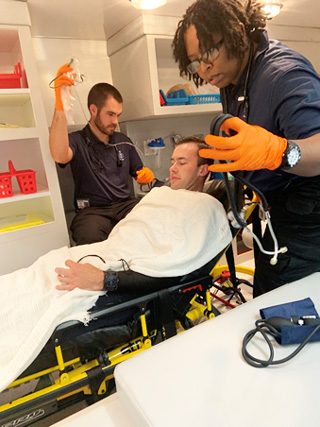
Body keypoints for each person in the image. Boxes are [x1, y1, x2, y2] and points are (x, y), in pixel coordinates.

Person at [172, 0, 320, 297]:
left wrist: (277, 152)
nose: (203, 69)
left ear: (237, 32)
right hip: (278, 204)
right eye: (195, 61)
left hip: (310, 209)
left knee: (281, 300)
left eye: (209, 52)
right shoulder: (233, 76)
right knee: (266, 285)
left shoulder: (284, 73)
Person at [54, 137, 217, 293]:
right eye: (173, 162)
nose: (172, 168)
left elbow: (170, 268)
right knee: (50, 267)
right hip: (108, 253)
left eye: (181, 163)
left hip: (122, 271)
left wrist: (104, 279)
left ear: (202, 169)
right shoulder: (160, 194)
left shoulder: (203, 207)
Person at [50, 64, 155, 245]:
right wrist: (61, 101)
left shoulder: (123, 140)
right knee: (89, 237)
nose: (115, 121)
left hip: (125, 206)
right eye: (110, 114)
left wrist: (146, 175)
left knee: (153, 222)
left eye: (118, 115)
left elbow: (139, 172)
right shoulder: (76, 140)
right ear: (93, 110)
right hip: (93, 211)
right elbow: (60, 155)